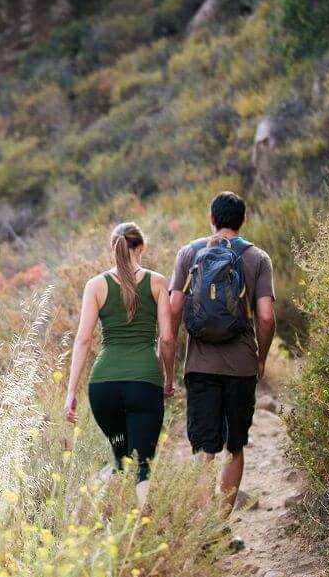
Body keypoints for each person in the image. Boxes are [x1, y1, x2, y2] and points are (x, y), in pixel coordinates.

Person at [169, 191, 276, 519]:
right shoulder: (258, 258)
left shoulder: (189, 253)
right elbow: (267, 316)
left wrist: (169, 356)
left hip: (199, 365)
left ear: (212, 219)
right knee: (234, 446)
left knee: (204, 448)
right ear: (242, 221)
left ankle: (200, 527)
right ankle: (218, 526)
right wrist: (260, 358)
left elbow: (173, 309)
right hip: (241, 366)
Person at [65, 222, 176, 506]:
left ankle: (95, 517)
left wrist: (71, 392)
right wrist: (168, 378)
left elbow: (82, 341)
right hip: (144, 384)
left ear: (113, 248)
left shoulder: (96, 285)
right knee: (142, 465)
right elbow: (167, 339)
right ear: (142, 247)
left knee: (121, 457)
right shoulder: (157, 282)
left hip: (104, 390)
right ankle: (144, 527)